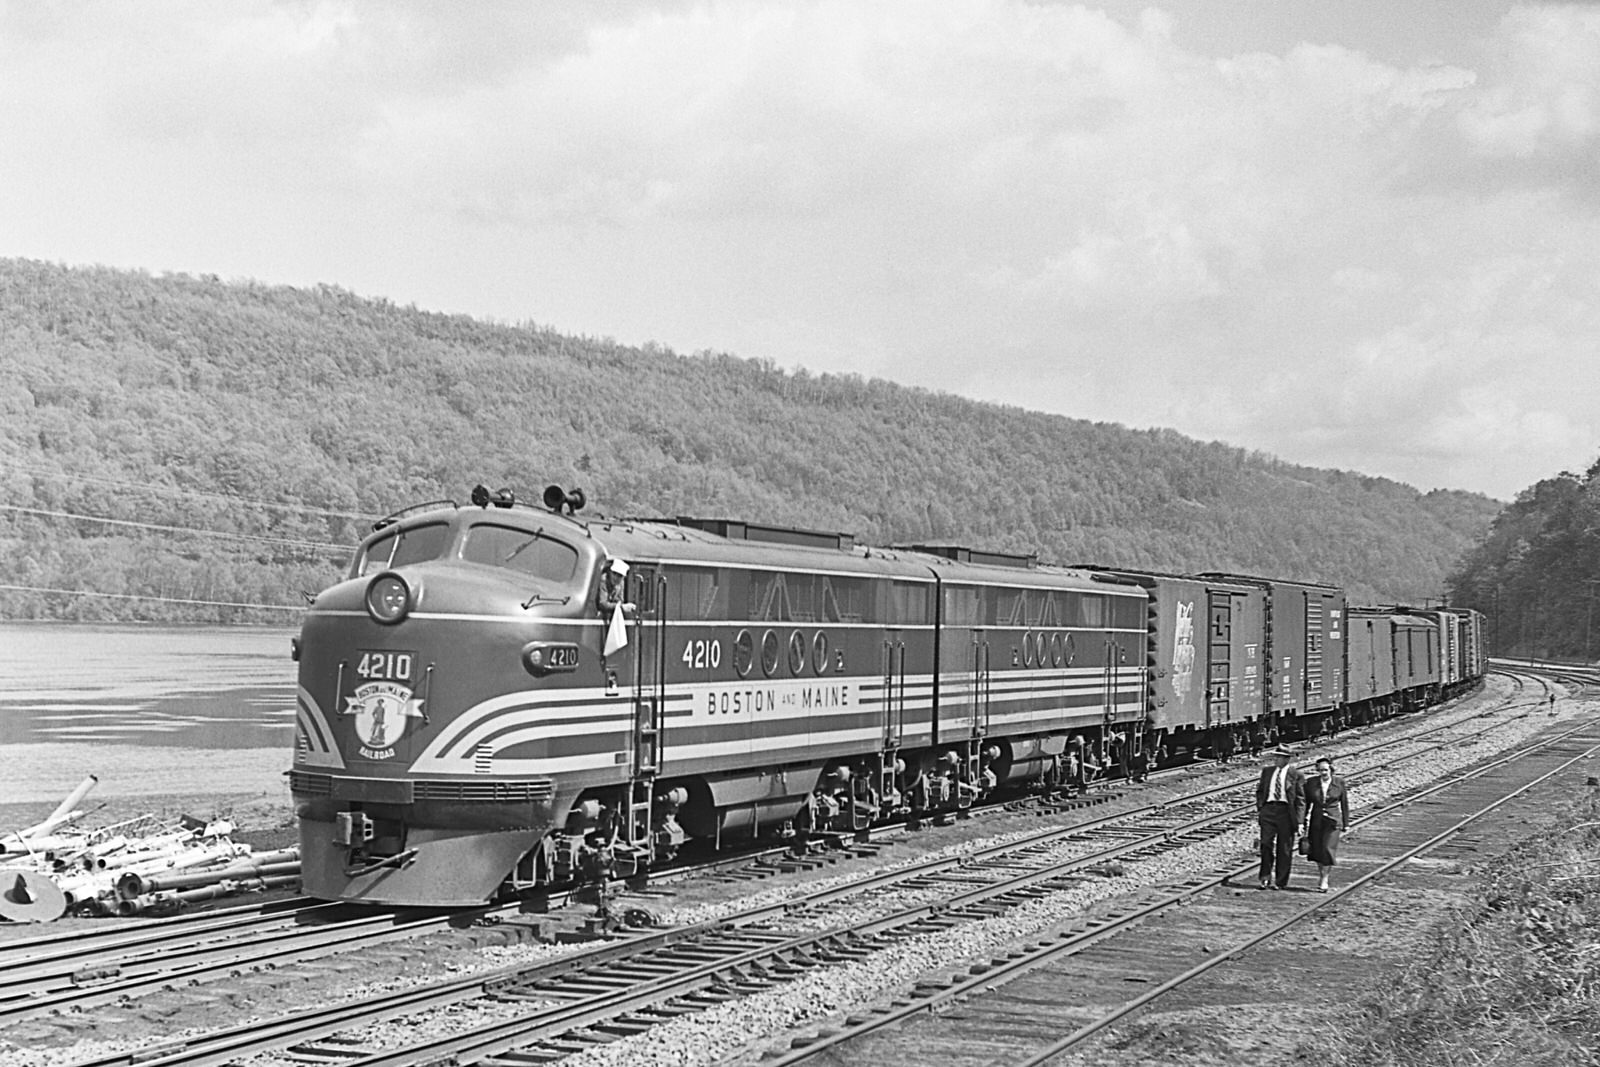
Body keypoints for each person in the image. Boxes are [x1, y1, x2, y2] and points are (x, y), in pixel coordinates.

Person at [1255, 745, 1304, 890]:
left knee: (1284, 848)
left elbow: (1301, 800)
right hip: (1269, 811)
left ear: (1286, 759)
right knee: (1265, 844)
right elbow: (1260, 790)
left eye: (1279, 757)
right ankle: (1265, 876)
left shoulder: (1296, 775)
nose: (1275, 759)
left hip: (1286, 813)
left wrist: (1300, 821)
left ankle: (1281, 881)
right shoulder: (1267, 772)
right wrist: (1261, 807)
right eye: (1275, 756)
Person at [1301, 756, 1350, 893]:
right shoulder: (1311, 783)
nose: (1323, 773)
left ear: (1331, 769)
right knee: (1317, 850)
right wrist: (1302, 822)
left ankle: (1325, 879)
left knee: (1328, 849)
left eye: (1326, 770)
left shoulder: (1339, 782)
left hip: (1333, 822)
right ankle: (1321, 874)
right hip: (1316, 821)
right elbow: (1306, 804)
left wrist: (1346, 823)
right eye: (1320, 770)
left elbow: (1344, 804)